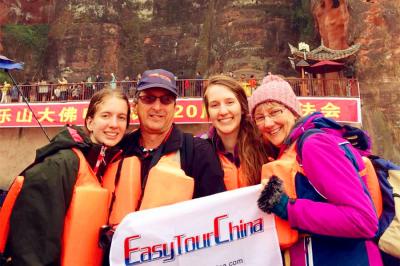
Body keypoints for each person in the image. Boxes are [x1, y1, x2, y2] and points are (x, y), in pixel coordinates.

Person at [249, 74, 382, 266]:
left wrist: (285, 206)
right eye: (260, 117)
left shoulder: (314, 145)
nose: (268, 123)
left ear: (293, 112)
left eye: (275, 111)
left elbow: (362, 220)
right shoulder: (294, 147)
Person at [6, 89, 131, 266]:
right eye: (105, 116)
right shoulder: (60, 163)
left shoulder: (108, 165)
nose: (114, 124)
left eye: (121, 117)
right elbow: (31, 242)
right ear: (90, 122)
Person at [111, 69, 226, 225]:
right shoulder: (117, 150)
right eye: (149, 99)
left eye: (166, 100)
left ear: (174, 107)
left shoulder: (198, 152)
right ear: (135, 106)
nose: (157, 107)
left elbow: (217, 215)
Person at [201, 74, 268, 190]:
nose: (223, 111)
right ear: (208, 112)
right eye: (214, 105)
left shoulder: (265, 145)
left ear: (242, 107)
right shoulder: (199, 152)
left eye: (230, 102)